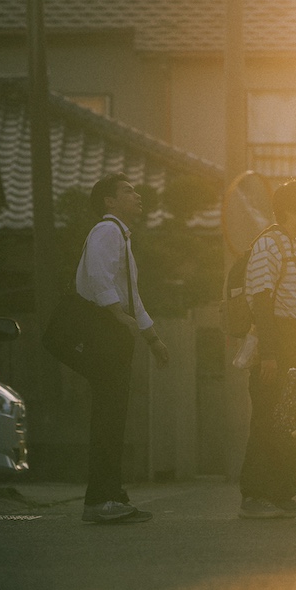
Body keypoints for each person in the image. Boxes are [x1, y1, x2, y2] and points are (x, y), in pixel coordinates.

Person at [76, 172, 170, 524]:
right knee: (108, 418)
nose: (137, 195)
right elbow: (99, 277)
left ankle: (111, 496)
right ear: (109, 201)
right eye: (127, 191)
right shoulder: (106, 231)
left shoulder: (119, 234)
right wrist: (118, 315)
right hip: (105, 329)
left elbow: (132, 295)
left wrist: (152, 337)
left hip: (114, 329)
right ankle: (100, 500)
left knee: (113, 417)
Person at [238, 180, 296, 519]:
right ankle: (254, 497)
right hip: (275, 338)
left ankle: (280, 492)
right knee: (267, 418)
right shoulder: (270, 244)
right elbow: (261, 300)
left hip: (290, 339)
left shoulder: (289, 243)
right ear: (290, 211)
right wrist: (269, 354)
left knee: (287, 417)